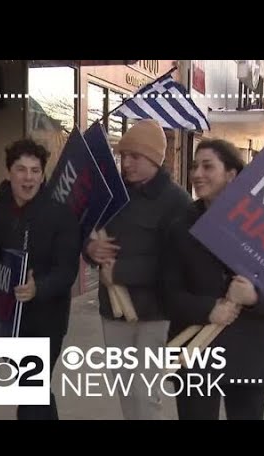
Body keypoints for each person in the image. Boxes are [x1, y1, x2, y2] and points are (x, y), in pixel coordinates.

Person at [161, 138, 264, 421]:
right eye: (194, 167)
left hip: (249, 353)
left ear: (232, 173)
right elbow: (168, 294)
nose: (197, 174)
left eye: (207, 166)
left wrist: (254, 298)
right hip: (197, 354)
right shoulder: (181, 227)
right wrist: (209, 309)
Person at [83, 119, 192, 420]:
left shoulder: (177, 202)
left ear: (155, 159)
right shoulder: (112, 194)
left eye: (135, 157)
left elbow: (176, 263)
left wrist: (121, 273)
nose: (126, 163)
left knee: (145, 395)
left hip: (154, 315)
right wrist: (91, 251)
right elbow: (89, 233)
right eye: (123, 156)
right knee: (125, 388)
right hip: (113, 313)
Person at [0, 138, 81, 420]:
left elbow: (67, 270)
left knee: (32, 390)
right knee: (26, 391)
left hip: (46, 319)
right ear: (9, 172)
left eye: (35, 170)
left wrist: (39, 288)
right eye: (21, 169)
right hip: (4, 319)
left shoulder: (61, 215)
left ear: (43, 175)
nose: (28, 177)